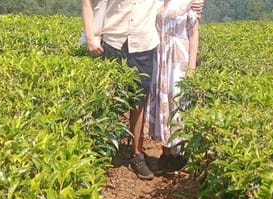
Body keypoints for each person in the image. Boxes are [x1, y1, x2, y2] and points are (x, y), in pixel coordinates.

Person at [81, 0, 203, 180]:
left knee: (139, 101)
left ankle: (137, 154)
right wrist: (91, 37)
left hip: (143, 45)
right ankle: (101, 149)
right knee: (107, 99)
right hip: (113, 41)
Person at [147, 0, 201, 173]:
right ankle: (166, 151)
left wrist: (191, 67)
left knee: (177, 100)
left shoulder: (190, 2)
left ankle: (180, 153)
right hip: (159, 56)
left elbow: (194, 34)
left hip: (178, 58)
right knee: (162, 99)